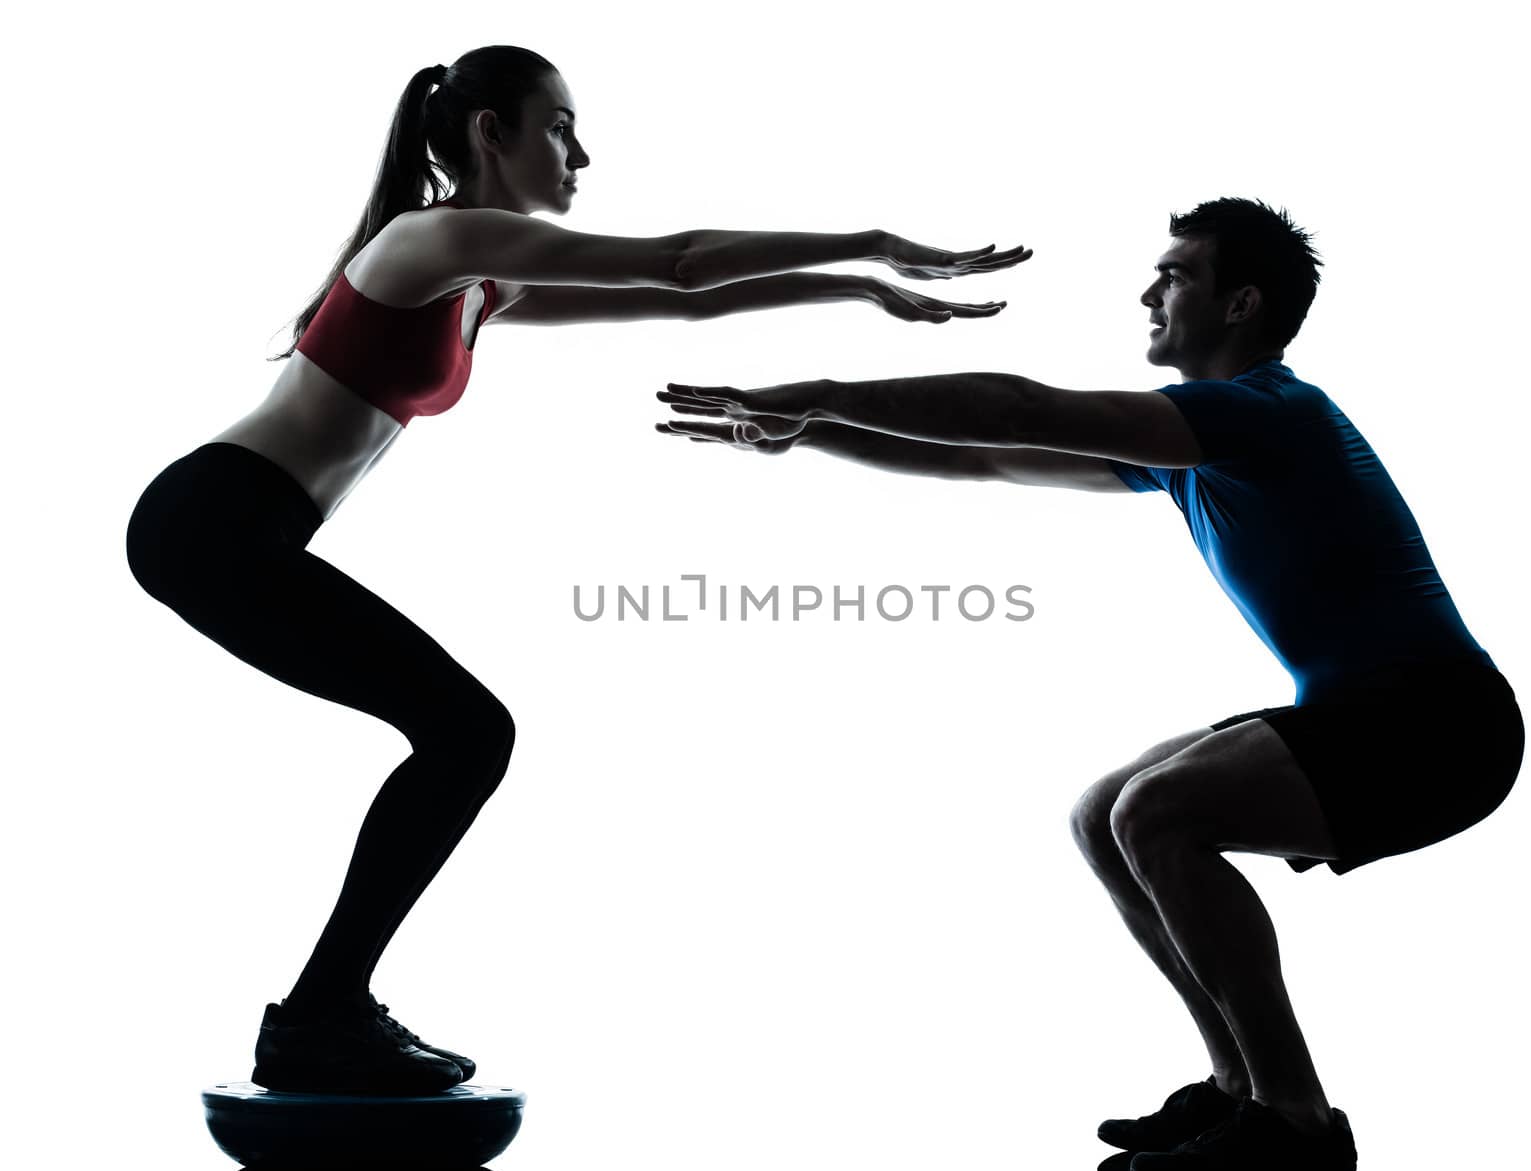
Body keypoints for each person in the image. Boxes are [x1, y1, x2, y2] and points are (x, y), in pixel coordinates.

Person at [125, 43, 1030, 1097]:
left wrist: (857, 289)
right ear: (487, 134)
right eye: (558, 126)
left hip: (240, 525)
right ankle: (322, 1012)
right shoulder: (436, 238)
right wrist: (870, 242)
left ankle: (326, 1007)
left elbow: (683, 299)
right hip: (216, 519)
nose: (581, 154)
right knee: (466, 731)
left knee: (460, 732)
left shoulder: (476, 280)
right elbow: (680, 259)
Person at [656, 197, 1524, 1171]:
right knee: (1103, 814)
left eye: (1176, 275)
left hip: (1439, 725)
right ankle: (1239, 1087)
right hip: (1379, 712)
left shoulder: (1266, 413)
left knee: (1160, 810)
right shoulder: (1194, 451)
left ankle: (1296, 1120)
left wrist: (816, 388)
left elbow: (1018, 408)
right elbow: (987, 453)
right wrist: (811, 430)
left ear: (1240, 303)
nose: (1149, 292)